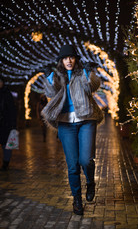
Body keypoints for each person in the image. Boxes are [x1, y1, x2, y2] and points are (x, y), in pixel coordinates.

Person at [41, 44, 103, 215]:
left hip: (86, 120)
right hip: (65, 123)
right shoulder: (58, 76)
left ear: (76, 59)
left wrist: (89, 73)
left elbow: (92, 86)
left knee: (86, 160)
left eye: (72, 57)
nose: (69, 61)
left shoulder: (81, 72)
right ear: (61, 60)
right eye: (65, 58)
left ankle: (90, 182)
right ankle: (77, 200)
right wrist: (48, 77)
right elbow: (51, 92)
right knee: (73, 165)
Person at [0, 77, 17, 170]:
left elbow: (12, 109)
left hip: (6, 123)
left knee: (6, 144)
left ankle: (6, 162)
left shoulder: (6, 94)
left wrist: (13, 124)